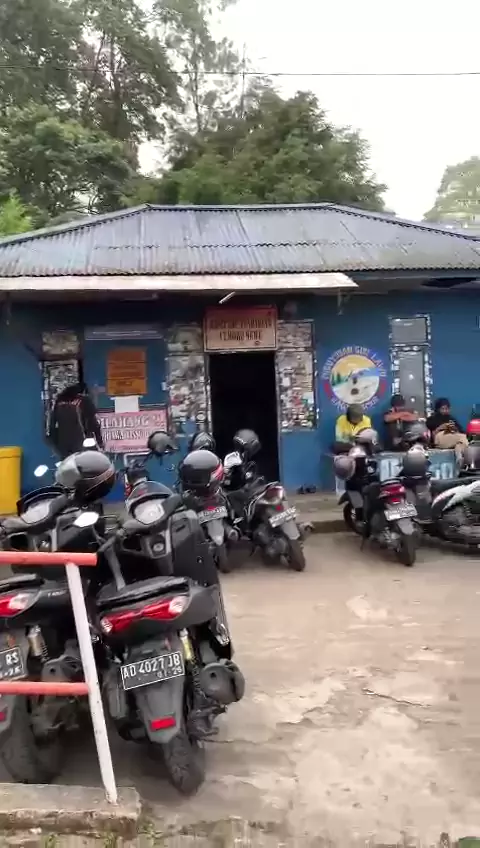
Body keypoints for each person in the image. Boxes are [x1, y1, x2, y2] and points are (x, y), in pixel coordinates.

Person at [49, 382, 104, 459]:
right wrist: (100, 442)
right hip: (82, 442)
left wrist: (54, 442)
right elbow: (93, 422)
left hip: (63, 443)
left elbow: (52, 424)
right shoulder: (85, 400)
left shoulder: (59, 401)